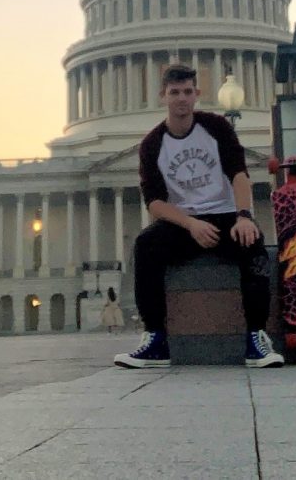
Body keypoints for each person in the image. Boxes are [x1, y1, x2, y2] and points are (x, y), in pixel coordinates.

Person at [114, 64, 284, 369]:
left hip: (225, 216)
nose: (182, 98)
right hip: (184, 222)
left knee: (253, 244)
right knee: (145, 246)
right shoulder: (152, 144)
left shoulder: (216, 127)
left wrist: (244, 215)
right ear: (163, 96)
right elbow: (153, 201)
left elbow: (239, 174)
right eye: (175, 92)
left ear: (197, 95)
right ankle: (156, 340)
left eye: (188, 92)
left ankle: (255, 339)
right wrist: (190, 223)